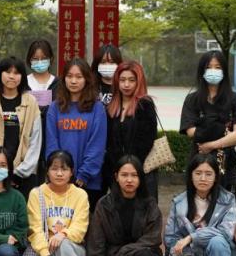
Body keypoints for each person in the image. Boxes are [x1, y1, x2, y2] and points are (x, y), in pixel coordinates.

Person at [84, 155, 163, 256]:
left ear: (140, 178)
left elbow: (153, 237)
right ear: (116, 177)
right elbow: (96, 241)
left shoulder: (150, 204)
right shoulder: (104, 204)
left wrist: (125, 252)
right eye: (124, 175)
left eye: (134, 175)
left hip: (141, 254)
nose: (129, 180)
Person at [25, 150, 93, 256]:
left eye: (64, 169)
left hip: (73, 251)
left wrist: (62, 234)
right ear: (47, 171)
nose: (59, 173)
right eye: (54, 168)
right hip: (46, 252)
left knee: (64, 243)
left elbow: (80, 229)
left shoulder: (80, 195)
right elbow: (35, 230)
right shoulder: (37, 194)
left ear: (72, 172)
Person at [179, 50, 236, 194]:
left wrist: (210, 145)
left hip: (228, 163)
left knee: (227, 204)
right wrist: (225, 133)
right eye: (208, 67)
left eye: (218, 67)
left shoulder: (235, 99)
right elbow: (190, 131)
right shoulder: (192, 99)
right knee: (198, 202)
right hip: (199, 162)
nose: (213, 71)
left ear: (224, 71)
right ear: (202, 70)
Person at [45, 58, 107, 210]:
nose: (73, 81)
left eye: (79, 77)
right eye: (69, 76)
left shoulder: (97, 108)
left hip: (87, 182)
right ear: (63, 79)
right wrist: (59, 171)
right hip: (60, 179)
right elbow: (51, 143)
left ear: (87, 79)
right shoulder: (55, 107)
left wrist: (84, 174)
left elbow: (97, 145)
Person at [0, 56, 42, 200]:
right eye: (8, 72)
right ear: (0, 74)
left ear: (22, 77)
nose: (12, 76)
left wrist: (19, 172)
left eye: (16, 73)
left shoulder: (31, 102)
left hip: (24, 175)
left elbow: (35, 141)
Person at [105, 60, 160, 200]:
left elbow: (146, 142)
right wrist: (119, 169)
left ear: (138, 82)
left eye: (131, 80)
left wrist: (130, 167)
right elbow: (109, 143)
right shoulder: (111, 107)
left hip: (142, 171)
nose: (126, 84)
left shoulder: (145, 105)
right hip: (118, 173)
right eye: (122, 80)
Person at [26, 39, 58, 185]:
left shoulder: (58, 84)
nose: (39, 62)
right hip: (28, 140)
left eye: (43, 58)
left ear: (51, 58)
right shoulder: (23, 83)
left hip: (52, 138)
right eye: (35, 58)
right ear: (29, 60)